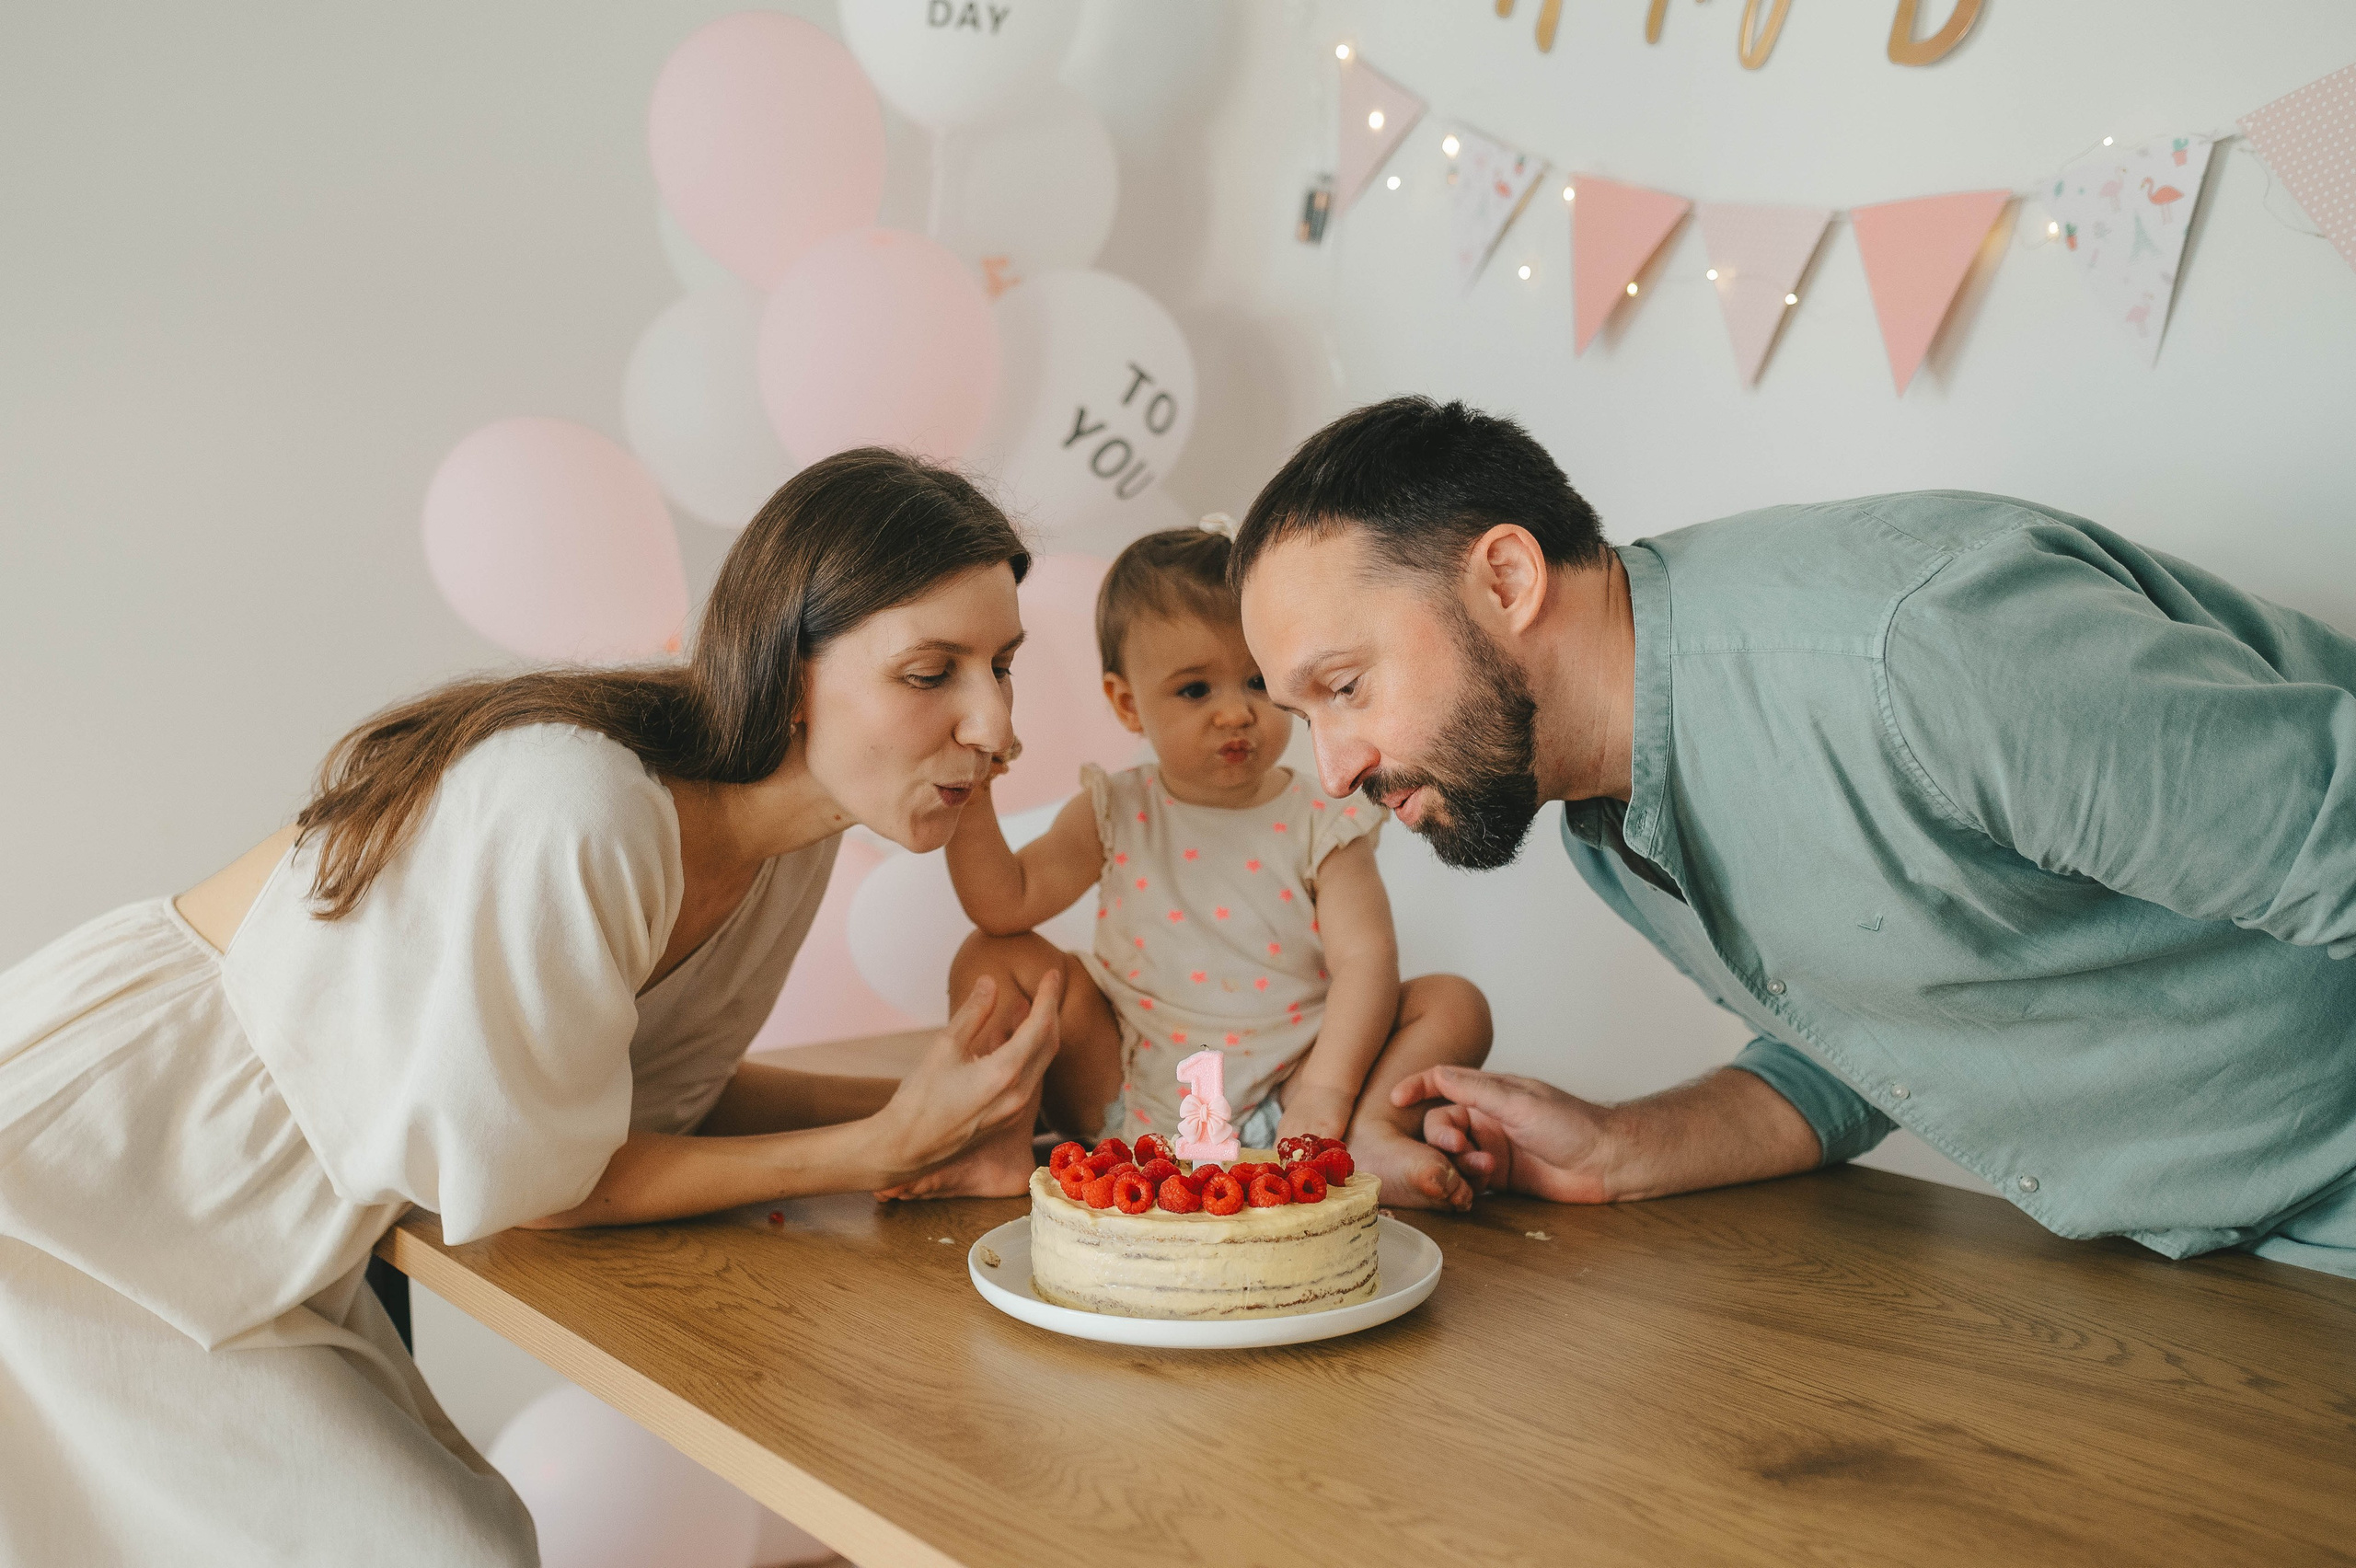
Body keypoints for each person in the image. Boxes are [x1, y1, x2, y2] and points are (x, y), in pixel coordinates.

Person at [0, 449, 1065, 1565]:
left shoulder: (788, 845)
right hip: (90, 1186)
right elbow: (542, 1193)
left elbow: (643, 1106)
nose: (996, 728)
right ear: (788, 666)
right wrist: (876, 1147)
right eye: (931, 671)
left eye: (1004, 665)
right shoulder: (581, 808)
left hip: (258, 1229)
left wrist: (948, 1111)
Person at [1228, 395, 2356, 1278]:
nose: (1332, 771)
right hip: (2223, 1280)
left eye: (1345, 685)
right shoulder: (1600, 818)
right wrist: (1620, 1147)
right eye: (1304, 716)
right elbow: (1898, 1036)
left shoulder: (1913, 654)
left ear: (1508, 579)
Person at [925, 521, 1494, 1209]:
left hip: (1294, 1101)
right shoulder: (1116, 808)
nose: (1235, 713)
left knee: (1453, 1004)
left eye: (1257, 681)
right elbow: (1004, 902)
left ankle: (1368, 1133)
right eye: (1196, 690)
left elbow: (1366, 960)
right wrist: (975, 787)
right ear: (1128, 704)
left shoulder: (1322, 820)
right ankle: (998, 1143)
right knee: (992, 955)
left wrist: (1325, 1092)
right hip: (1127, 1090)